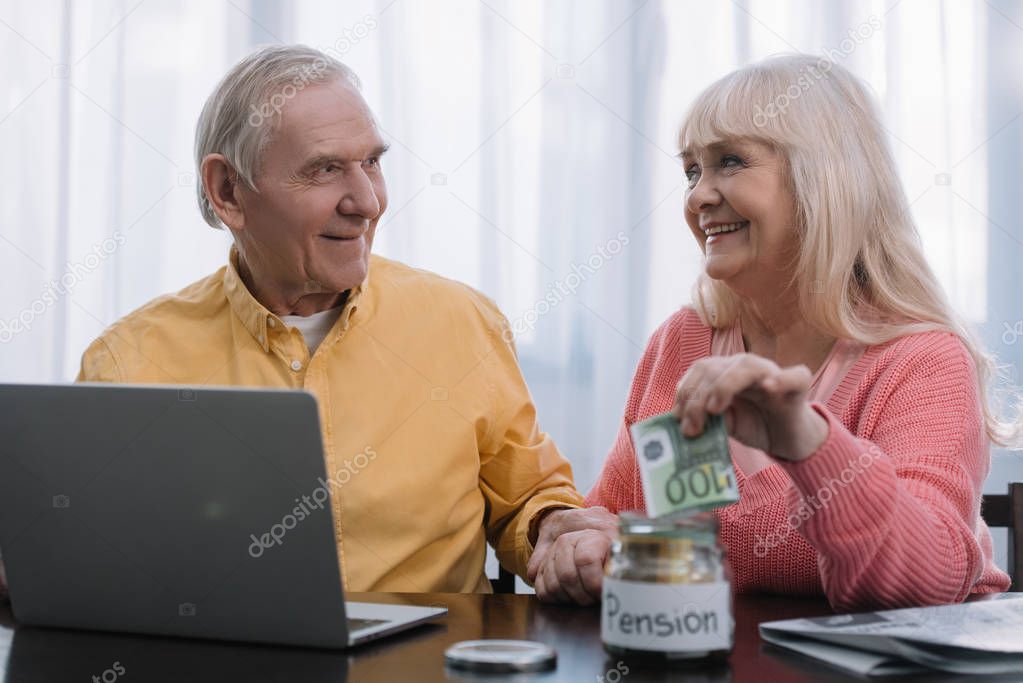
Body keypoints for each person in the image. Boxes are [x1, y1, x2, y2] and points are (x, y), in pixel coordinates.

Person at [0, 44, 595, 600]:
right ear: (228, 190)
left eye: (371, 163)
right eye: (324, 170)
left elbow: (530, 500)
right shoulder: (130, 360)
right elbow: (71, 547)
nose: (366, 200)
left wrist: (557, 530)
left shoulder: (462, 322)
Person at [528, 54, 1020, 610]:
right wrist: (587, 546)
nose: (697, 197)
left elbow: (922, 583)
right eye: (692, 171)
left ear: (825, 178)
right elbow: (620, 520)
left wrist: (808, 441)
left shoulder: (922, 359)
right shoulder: (685, 340)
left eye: (729, 162)